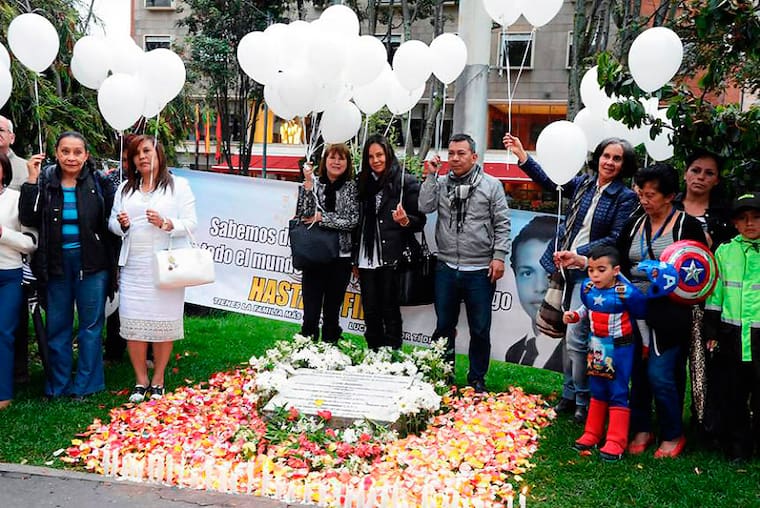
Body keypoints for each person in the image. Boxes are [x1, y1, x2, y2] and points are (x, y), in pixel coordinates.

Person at [560, 163, 707, 458]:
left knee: (660, 373)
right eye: (641, 194)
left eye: (651, 195)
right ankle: (641, 428)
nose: (644, 200)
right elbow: (614, 263)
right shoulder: (635, 223)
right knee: (635, 372)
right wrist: (582, 261)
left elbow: (700, 271)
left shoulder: (686, 225)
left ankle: (672, 433)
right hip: (629, 310)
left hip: (668, 313)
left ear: (670, 196)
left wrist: (666, 279)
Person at [503, 133, 638, 423]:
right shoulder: (584, 183)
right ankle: (569, 394)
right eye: (606, 156)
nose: (609, 162)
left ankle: (582, 398)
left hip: (591, 273)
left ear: (624, 165)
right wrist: (523, 155)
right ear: (597, 157)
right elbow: (551, 183)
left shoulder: (625, 197)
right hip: (562, 270)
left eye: (617, 158)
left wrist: (579, 255)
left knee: (577, 336)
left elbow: (615, 238)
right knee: (566, 336)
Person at [19, 132, 117, 400]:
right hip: (55, 263)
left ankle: (87, 384)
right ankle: (58, 384)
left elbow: (112, 223)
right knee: (57, 325)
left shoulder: (99, 181)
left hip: (93, 263)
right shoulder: (45, 180)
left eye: (77, 152)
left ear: (86, 155)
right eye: (65, 151)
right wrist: (31, 179)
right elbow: (28, 217)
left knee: (90, 326)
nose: (71, 157)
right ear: (56, 153)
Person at [109, 135, 197, 402]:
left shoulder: (178, 186)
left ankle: (158, 379)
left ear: (158, 153)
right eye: (137, 154)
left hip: (167, 266)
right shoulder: (125, 189)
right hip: (134, 266)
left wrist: (166, 223)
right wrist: (122, 224)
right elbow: (112, 223)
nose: (142, 157)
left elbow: (191, 223)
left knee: (163, 323)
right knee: (132, 323)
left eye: (147, 151)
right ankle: (140, 380)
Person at [420, 133, 511, 393]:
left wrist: (499, 256)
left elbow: (502, 224)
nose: (455, 158)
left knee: (480, 329)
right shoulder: (441, 183)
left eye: (461, 153)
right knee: (443, 326)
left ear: (474, 156)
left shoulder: (491, 185)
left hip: (480, 270)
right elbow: (425, 206)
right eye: (451, 153)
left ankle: (477, 379)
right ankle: (442, 374)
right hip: (446, 267)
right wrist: (430, 177)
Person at [673, 150, 735, 445]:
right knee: (670, 364)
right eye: (696, 170)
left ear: (717, 180)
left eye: (709, 173)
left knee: (705, 365)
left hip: (709, 302)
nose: (700, 177)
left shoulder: (725, 217)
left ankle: (705, 426)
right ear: (685, 173)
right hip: (670, 300)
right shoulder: (669, 207)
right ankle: (670, 423)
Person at [563, 245, 646, 461]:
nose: (595, 275)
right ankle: (593, 432)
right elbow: (587, 308)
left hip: (621, 347)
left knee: (618, 391)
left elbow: (641, 317)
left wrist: (646, 344)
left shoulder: (626, 292)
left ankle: (616, 440)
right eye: (591, 270)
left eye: (601, 270)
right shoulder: (588, 288)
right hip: (598, 346)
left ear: (616, 270)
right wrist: (575, 316)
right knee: (598, 388)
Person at [354, 134, 426, 351]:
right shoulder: (361, 182)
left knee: (390, 309)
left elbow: (419, 221)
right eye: (370, 157)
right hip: (366, 256)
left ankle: (392, 356)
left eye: (379, 155)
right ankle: (373, 355)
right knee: (370, 310)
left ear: (388, 154)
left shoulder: (405, 181)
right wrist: (354, 259)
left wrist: (405, 220)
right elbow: (357, 222)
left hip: (393, 255)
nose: (376, 160)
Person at [704, 192, 760, 462]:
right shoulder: (725, 251)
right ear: (735, 223)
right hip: (731, 335)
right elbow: (715, 295)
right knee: (734, 393)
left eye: (756, 217)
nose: (750, 223)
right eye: (743, 218)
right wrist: (711, 331)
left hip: (759, 336)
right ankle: (738, 446)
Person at [295, 143, 359, 343]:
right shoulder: (313, 184)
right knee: (310, 312)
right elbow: (303, 214)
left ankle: (330, 351)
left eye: (341, 158)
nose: (336, 162)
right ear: (325, 161)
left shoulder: (352, 187)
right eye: (332, 157)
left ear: (347, 163)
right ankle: (307, 350)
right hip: (314, 255)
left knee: (332, 312)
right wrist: (308, 182)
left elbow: (352, 221)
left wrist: (323, 218)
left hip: (340, 258)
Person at [0, 153, 37, 409]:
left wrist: (3, 234)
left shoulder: (16, 199)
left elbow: (31, 243)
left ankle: (3, 392)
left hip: (9, 275)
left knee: (3, 332)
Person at [506, 215, 562, 371]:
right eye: (527, 273)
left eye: (550, 273)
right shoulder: (514, 351)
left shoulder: (575, 355)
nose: (540, 287)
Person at [103, 133, 136, 364]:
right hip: (116, 246)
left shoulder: (162, 180)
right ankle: (114, 348)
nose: (127, 164)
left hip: (145, 249)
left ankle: (149, 349)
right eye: (123, 159)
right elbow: (106, 216)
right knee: (116, 297)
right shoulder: (111, 181)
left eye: (130, 159)